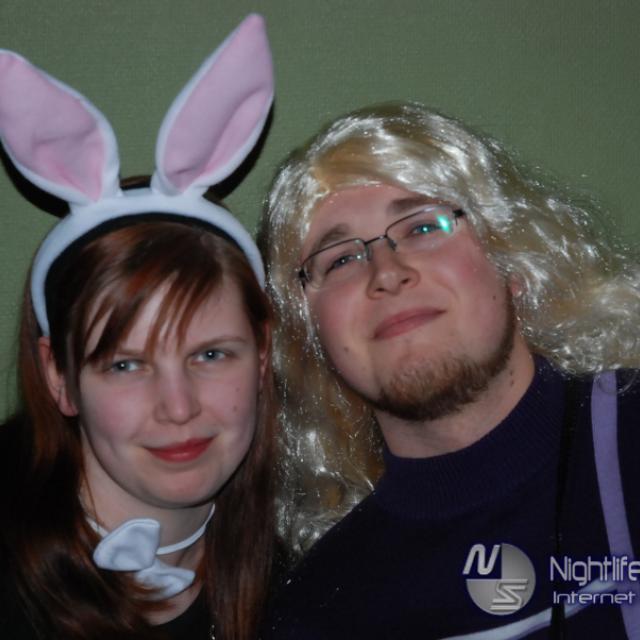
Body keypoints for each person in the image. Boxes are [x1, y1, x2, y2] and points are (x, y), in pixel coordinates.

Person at [258, 102, 640, 638]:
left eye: (423, 226)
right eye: (340, 259)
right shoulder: (316, 615)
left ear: (513, 260)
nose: (386, 272)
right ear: (312, 334)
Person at [0, 14, 277, 639]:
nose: (178, 408)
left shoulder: (303, 580)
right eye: (126, 364)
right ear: (59, 377)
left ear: (262, 355)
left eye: (211, 355)